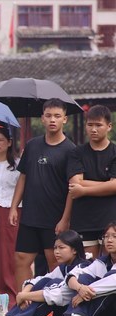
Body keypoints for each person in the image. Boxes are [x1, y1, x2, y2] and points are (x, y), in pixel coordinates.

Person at [10, 99, 77, 288]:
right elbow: (23, 177)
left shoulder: (71, 150)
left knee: (54, 262)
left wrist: (65, 219)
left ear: (65, 119)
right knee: (21, 259)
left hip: (54, 217)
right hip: (30, 215)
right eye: (48, 116)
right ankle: (23, 304)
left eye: (57, 116)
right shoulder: (32, 145)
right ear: (42, 119)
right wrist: (15, 206)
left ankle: (50, 306)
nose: (52, 120)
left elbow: (73, 189)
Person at [0, 231, 87, 316]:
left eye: (61, 248)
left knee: (53, 284)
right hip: (63, 306)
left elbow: (57, 294)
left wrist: (25, 295)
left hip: (78, 312)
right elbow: (41, 279)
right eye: (55, 248)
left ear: (74, 250)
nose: (56, 252)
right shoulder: (64, 267)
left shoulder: (83, 267)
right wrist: (23, 293)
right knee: (45, 281)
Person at [67, 105, 116, 260]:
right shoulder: (77, 152)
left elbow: (114, 186)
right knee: (87, 266)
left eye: (98, 125)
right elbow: (75, 182)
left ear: (109, 127)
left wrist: (84, 189)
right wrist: (106, 185)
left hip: (110, 218)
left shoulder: (115, 152)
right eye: (90, 125)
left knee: (110, 266)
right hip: (83, 219)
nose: (93, 129)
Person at [60, 221, 116, 316]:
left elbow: (113, 281)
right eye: (106, 236)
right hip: (104, 312)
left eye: (115, 236)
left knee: (108, 289)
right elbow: (72, 275)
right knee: (84, 278)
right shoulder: (102, 261)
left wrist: (84, 292)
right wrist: (80, 288)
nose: (109, 240)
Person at [0, 127, 21, 306]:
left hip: (10, 211)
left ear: (9, 143)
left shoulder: (17, 165)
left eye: (0, 140)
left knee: (7, 254)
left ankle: (10, 296)